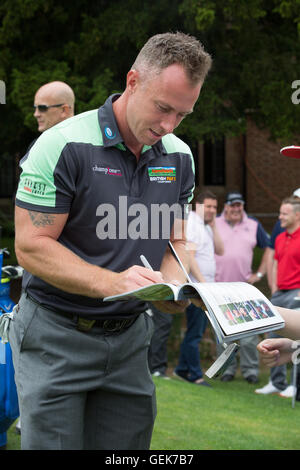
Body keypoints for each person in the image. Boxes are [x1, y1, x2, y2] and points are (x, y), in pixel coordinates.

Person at [9, 32, 212, 450]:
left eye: (182, 115)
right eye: (163, 108)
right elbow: (31, 246)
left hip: (130, 339)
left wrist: (171, 285)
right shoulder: (62, 145)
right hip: (55, 333)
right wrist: (113, 283)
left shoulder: (180, 157)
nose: (169, 125)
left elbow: (175, 239)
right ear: (133, 81)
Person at [14, 81, 75, 437]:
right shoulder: (40, 147)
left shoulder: (71, 148)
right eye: (36, 107)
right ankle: (28, 410)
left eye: (43, 108)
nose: (35, 114)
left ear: (64, 110)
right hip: (38, 273)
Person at [215, 191, 270, 384]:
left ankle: (250, 371)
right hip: (218, 289)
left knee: (248, 335)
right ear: (226, 206)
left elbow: (269, 247)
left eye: (240, 205)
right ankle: (227, 370)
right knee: (224, 334)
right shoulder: (214, 222)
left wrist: (260, 274)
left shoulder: (253, 224)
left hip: (244, 288)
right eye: (233, 205)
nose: (237, 209)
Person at [174, 190, 224, 385]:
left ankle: (181, 369)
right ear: (198, 205)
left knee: (196, 331)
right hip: (198, 289)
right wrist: (202, 284)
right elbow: (189, 257)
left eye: (215, 207)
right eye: (209, 206)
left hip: (205, 287)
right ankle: (195, 375)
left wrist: (214, 225)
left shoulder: (207, 226)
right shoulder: (193, 224)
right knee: (195, 332)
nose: (212, 210)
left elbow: (221, 250)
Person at [255, 196, 300, 397]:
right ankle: (276, 381)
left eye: (284, 213)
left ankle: (295, 385)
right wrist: (273, 287)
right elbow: (274, 263)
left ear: (297, 215)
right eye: (280, 212)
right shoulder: (280, 238)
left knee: (298, 339)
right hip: (279, 292)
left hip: (297, 293)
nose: (280, 217)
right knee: (272, 337)